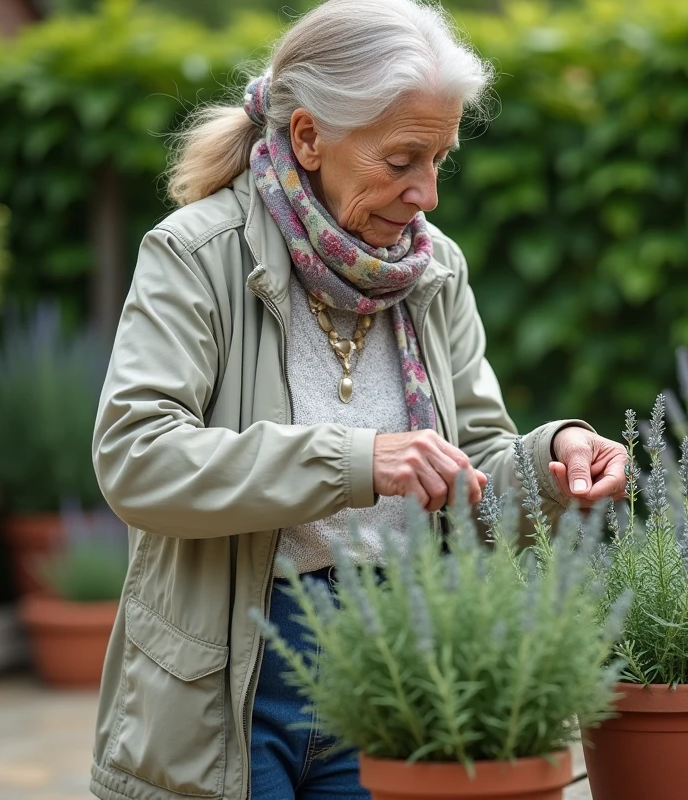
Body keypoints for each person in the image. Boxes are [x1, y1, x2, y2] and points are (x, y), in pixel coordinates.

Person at [88, 1, 627, 798]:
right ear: (308, 137)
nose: (428, 194)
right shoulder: (195, 255)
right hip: (232, 675)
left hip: (398, 670)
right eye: (404, 158)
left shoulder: (433, 272)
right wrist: (354, 459)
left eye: (441, 159)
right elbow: (135, 458)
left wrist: (552, 461)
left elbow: (471, 480)